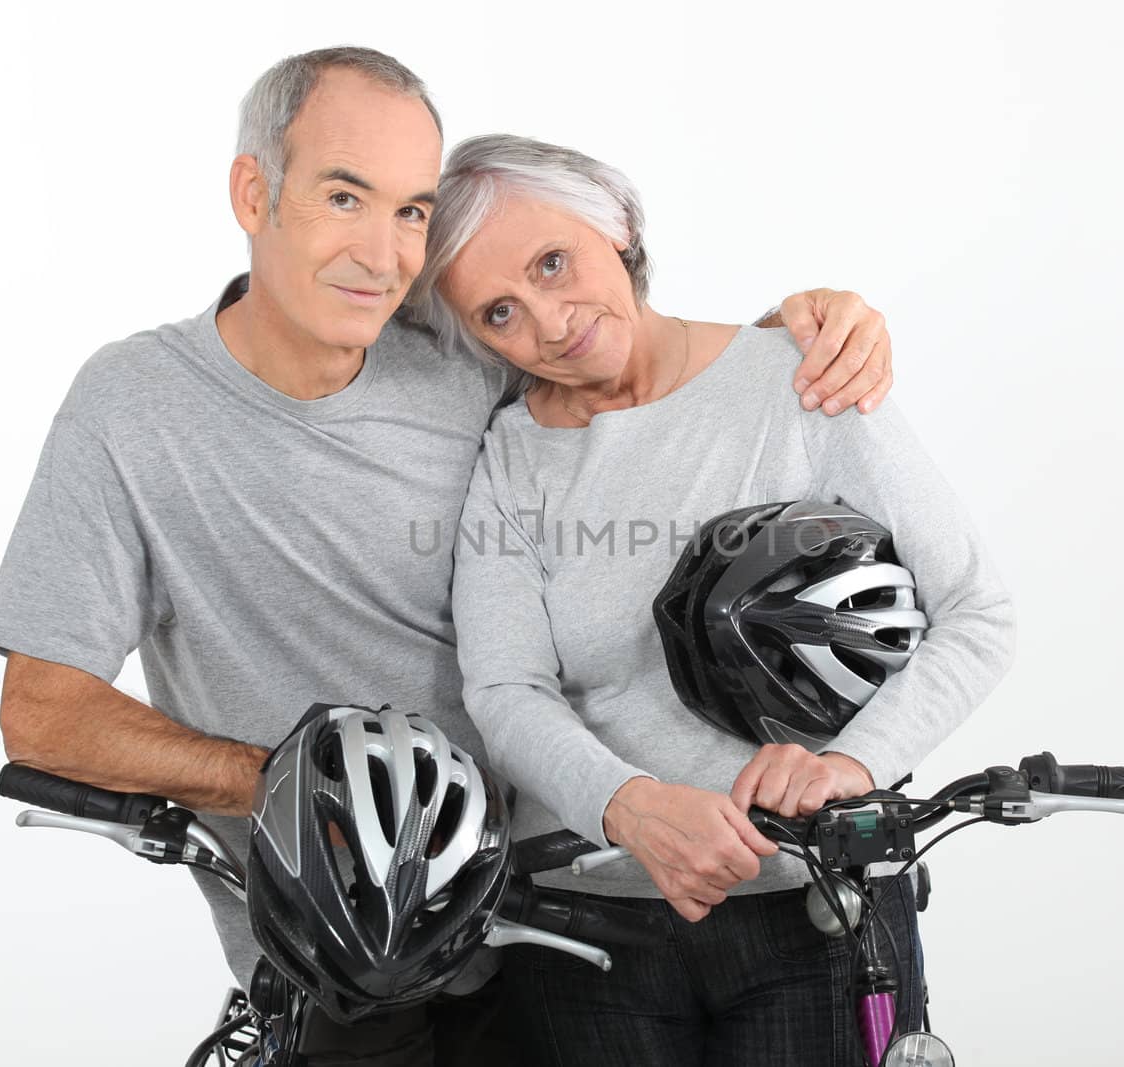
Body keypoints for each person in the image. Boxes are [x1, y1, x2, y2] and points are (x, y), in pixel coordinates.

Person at [0, 47, 898, 1066]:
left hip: (553, 918)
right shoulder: (132, 404)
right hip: (339, 953)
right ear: (254, 191)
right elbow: (45, 707)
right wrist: (301, 786)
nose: (382, 254)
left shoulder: (465, 345)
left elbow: (630, 379)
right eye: (344, 195)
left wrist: (794, 339)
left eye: (412, 210)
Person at [421, 134, 1017, 1065]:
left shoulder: (802, 376)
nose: (548, 318)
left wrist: (852, 764)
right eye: (500, 310)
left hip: (817, 906)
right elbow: (504, 690)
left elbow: (975, 612)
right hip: (586, 930)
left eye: (553, 261)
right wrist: (627, 805)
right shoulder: (511, 460)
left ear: (614, 225)